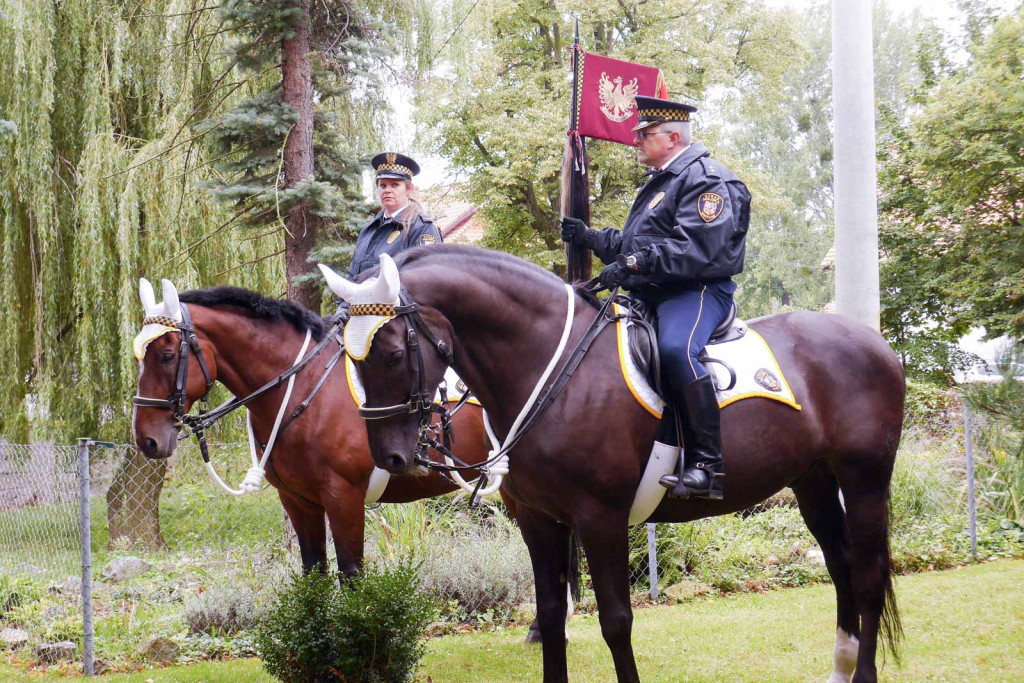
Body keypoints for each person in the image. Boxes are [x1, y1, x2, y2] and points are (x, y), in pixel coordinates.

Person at [560, 96, 751, 500]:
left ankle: (707, 465)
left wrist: (630, 265)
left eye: (645, 135)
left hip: (696, 291)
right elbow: (640, 244)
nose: (637, 143)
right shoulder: (661, 181)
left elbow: (697, 249)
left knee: (675, 349)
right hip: (653, 292)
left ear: (674, 136)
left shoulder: (708, 180)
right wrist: (592, 239)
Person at [347, 152, 443, 279]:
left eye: (395, 185)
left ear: (409, 189)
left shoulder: (421, 227)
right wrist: (344, 299)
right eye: (382, 185)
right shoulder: (368, 229)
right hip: (358, 299)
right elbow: (352, 275)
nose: (387, 190)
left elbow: (428, 279)